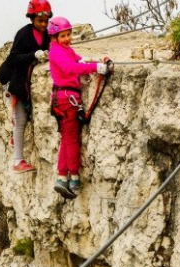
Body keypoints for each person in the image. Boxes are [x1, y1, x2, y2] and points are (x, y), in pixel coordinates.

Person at [47, 16, 111, 199]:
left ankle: (63, 177)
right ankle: (72, 178)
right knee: (72, 139)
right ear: (54, 37)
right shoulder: (57, 51)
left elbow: (79, 61)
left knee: (67, 138)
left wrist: (93, 63)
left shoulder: (65, 50)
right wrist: (96, 68)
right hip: (67, 99)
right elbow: (70, 69)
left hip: (64, 99)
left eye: (68, 34)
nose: (67, 39)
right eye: (63, 36)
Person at [0, 0, 52, 173]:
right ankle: (18, 161)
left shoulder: (46, 35)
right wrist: (33, 55)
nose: (43, 24)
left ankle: (16, 139)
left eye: (45, 21)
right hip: (14, 82)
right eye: (39, 21)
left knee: (23, 118)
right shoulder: (24, 34)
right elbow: (13, 58)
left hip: (24, 82)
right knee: (20, 120)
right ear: (32, 18)